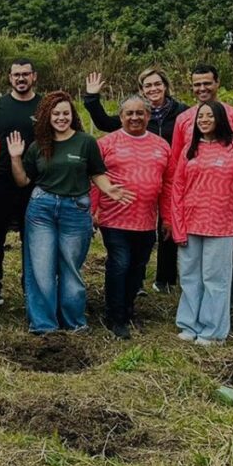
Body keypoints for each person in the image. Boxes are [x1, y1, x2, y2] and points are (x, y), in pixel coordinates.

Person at [7, 90, 134, 334]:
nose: (61, 118)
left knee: (71, 268)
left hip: (75, 210)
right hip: (41, 209)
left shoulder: (86, 142)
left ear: (72, 115)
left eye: (65, 113)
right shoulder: (38, 146)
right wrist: (15, 158)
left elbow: (96, 173)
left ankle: (74, 322)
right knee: (41, 269)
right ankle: (44, 325)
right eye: (56, 113)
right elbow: (23, 181)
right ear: (48, 116)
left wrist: (109, 190)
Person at [170, 64, 233, 324]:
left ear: (217, 83)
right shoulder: (184, 119)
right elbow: (177, 166)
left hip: (221, 207)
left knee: (224, 264)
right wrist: (172, 212)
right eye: (197, 84)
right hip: (192, 207)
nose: (202, 88)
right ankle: (194, 317)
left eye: (207, 83)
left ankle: (232, 311)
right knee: (192, 267)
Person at [83, 68, 188, 294]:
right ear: (141, 90)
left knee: (164, 233)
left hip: (166, 180)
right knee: (125, 254)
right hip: (123, 202)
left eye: (157, 84)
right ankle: (127, 296)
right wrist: (92, 99)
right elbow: (104, 124)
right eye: (148, 85)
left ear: (166, 85)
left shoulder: (181, 113)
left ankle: (165, 280)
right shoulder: (130, 117)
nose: (153, 88)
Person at [90, 95, 173, 339]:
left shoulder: (161, 145)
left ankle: (128, 309)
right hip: (114, 218)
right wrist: (93, 210)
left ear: (148, 116)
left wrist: (167, 217)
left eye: (140, 113)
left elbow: (167, 184)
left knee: (138, 268)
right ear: (121, 116)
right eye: (129, 113)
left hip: (146, 220)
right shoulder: (107, 143)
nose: (135, 117)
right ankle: (115, 316)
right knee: (120, 264)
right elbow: (94, 178)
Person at [0, 59, 42, 304]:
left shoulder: (44, 106)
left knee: (33, 238)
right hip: (0, 181)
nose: (21, 79)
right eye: (16, 75)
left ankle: (31, 287)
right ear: (10, 78)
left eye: (25, 74)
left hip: (35, 182)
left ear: (34, 77)